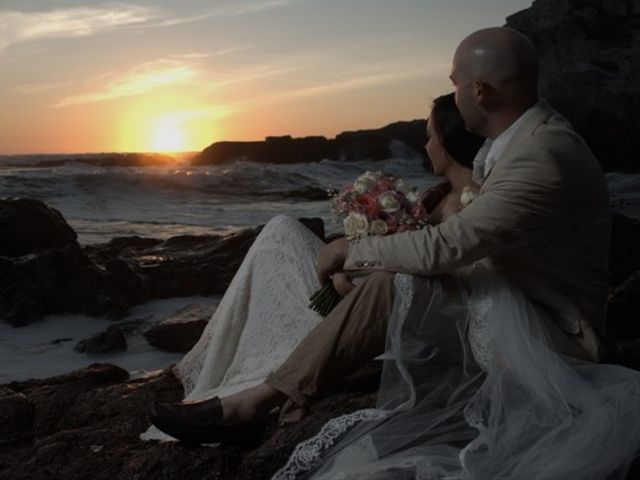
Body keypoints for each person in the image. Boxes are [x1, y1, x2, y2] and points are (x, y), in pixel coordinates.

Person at [143, 92, 484, 443]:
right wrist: (349, 269)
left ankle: (257, 399)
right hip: (374, 291)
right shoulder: (438, 194)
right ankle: (258, 355)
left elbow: (430, 277)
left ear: (448, 141)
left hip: (420, 316)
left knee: (382, 283)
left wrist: (357, 268)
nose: (426, 146)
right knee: (282, 232)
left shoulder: (474, 204)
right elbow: (402, 253)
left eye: (430, 136)